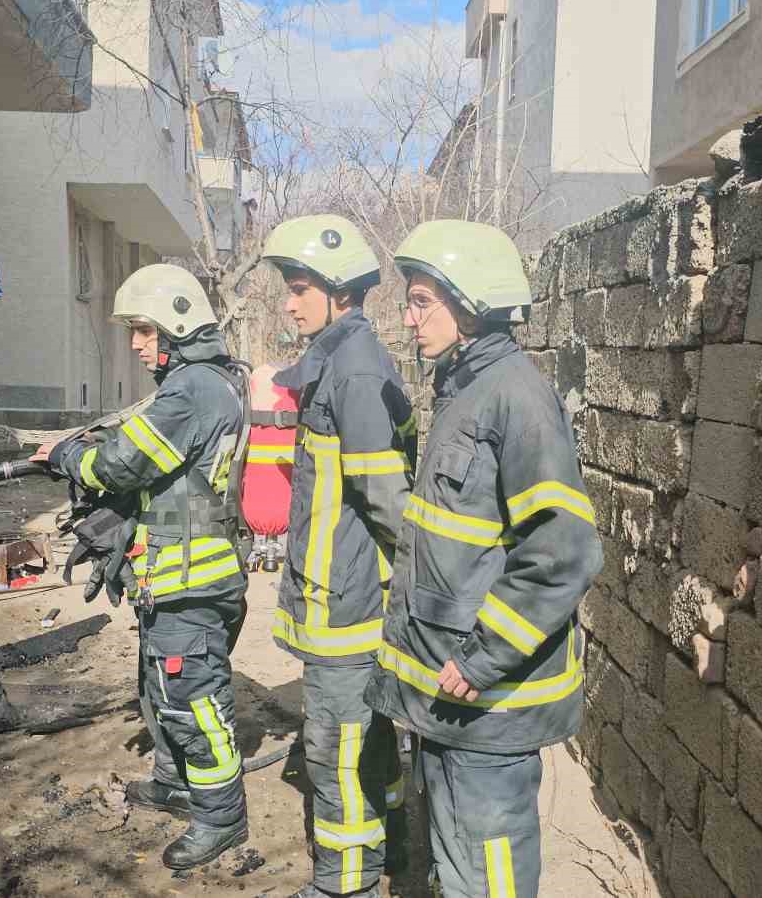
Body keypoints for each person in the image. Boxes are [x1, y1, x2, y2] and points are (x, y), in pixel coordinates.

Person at [363, 220, 602, 898]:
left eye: (419, 301)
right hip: (451, 698)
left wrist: (481, 658)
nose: (408, 320)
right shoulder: (464, 390)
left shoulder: (517, 397)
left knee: (488, 867)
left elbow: (564, 551)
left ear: (469, 303)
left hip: (489, 701)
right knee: (457, 855)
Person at [33, 263, 250, 870]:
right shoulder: (208, 380)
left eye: (144, 329)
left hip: (193, 577)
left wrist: (69, 456)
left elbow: (124, 464)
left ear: (178, 325)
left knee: (193, 698)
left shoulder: (192, 390)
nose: (135, 342)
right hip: (178, 572)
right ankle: (177, 785)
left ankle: (221, 817)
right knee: (160, 688)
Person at [262, 215, 416, 898]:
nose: (289, 303)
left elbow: (386, 498)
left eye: (299, 289)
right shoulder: (338, 359)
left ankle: (345, 882)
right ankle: (393, 845)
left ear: (340, 292)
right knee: (370, 740)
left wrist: (417, 585)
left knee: (337, 748)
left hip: (347, 604)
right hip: (341, 594)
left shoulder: (352, 369)